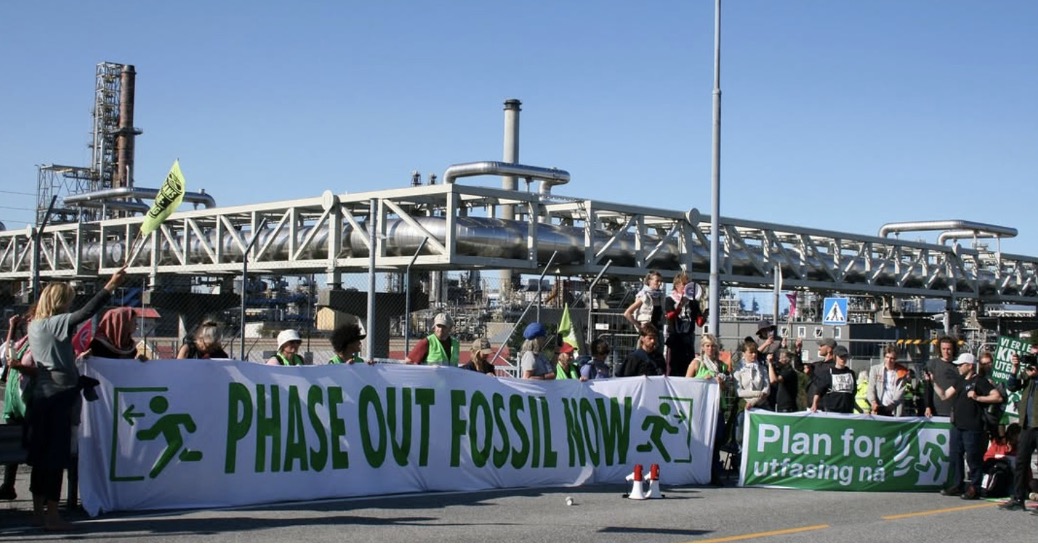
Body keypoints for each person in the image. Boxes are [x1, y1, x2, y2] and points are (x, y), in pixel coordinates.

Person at [27, 266, 126, 531]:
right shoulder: (55, 323)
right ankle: (53, 515)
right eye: (68, 300)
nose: (71, 304)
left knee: (40, 456)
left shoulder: (35, 325)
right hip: (60, 396)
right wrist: (111, 285)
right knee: (56, 457)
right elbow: (86, 313)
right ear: (60, 302)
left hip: (41, 395)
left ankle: (37, 513)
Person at [927, 352, 1002, 500]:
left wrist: (978, 397)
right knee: (955, 455)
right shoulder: (960, 380)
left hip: (973, 426)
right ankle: (957, 484)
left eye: (961, 365)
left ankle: (975, 486)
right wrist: (933, 382)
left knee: (973, 457)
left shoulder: (979, 381)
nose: (959, 367)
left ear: (970, 366)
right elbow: (944, 395)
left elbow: (997, 397)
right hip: (957, 425)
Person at [684, 333, 731, 486]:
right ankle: (697, 470)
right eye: (707, 346)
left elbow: (726, 388)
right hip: (702, 407)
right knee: (701, 440)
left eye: (713, 346)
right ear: (703, 347)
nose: (710, 349)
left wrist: (721, 383)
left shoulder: (721, 365)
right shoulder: (697, 363)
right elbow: (685, 384)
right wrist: (701, 380)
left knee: (717, 440)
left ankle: (714, 472)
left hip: (717, 407)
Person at [1, 309, 36, 501]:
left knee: (34, 444)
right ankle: (8, 485)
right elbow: (8, 353)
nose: (28, 320)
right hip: (14, 400)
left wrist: (20, 367)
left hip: (29, 400)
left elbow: (45, 371)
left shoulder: (41, 342)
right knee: (11, 442)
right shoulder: (24, 341)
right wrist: (12, 327)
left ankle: (38, 490)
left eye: (32, 318)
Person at [999, 353, 1038, 512]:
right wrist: (1014, 369)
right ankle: (1018, 498)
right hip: (1027, 424)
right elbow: (1012, 386)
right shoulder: (1028, 373)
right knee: (1021, 461)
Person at [663, 271, 702, 377]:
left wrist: (704, 315)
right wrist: (680, 306)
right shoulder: (670, 299)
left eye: (688, 284)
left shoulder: (693, 301)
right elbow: (669, 316)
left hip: (688, 337)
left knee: (688, 365)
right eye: (684, 284)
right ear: (677, 285)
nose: (686, 287)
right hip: (675, 337)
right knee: (673, 366)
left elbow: (699, 322)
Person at [866, 344, 910, 416]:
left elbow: (900, 393)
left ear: (896, 359)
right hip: (878, 408)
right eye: (887, 357)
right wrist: (873, 402)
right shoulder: (875, 370)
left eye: (892, 358)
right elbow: (871, 388)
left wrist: (891, 406)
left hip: (895, 409)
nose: (889, 360)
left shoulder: (902, 372)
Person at [810, 345, 856, 413]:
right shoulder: (829, 372)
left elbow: (854, 392)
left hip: (848, 411)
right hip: (832, 411)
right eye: (841, 356)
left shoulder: (851, 373)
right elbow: (820, 390)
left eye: (845, 356)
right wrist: (814, 404)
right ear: (835, 357)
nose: (843, 359)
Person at [923, 336, 959, 418]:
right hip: (936, 410)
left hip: (955, 409)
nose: (946, 352)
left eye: (949, 349)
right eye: (943, 349)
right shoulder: (932, 364)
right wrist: (927, 406)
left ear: (953, 349)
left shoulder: (958, 366)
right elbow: (927, 388)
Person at [805, 338, 837, 406]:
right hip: (811, 405)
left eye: (821, 346)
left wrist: (810, 374)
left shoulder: (833, 367)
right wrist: (798, 351)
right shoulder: (818, 364)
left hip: (822, 406)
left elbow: (822, 385)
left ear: (829, 349)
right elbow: (799, 367)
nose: (819, 348)